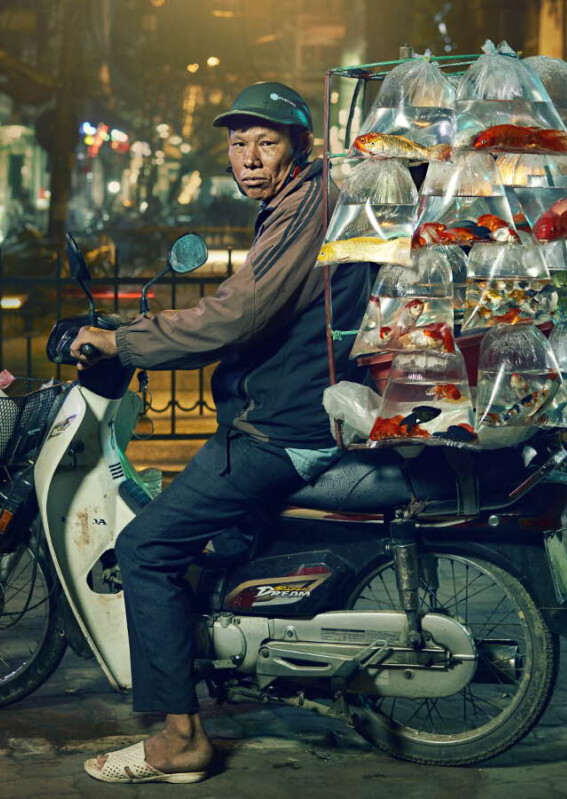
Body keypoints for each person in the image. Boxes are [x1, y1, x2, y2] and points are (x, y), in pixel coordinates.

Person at [69, 82, 370, 784]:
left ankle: (181, 738)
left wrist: (128, 343)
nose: (250, 158)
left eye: (267, 141)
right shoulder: (296, 203)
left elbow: (237, 314)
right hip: (285, 412)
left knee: (145, 546)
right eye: (238, 143)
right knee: (219, 539)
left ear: (300, 146)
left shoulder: (307, 204)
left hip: (280, 426)